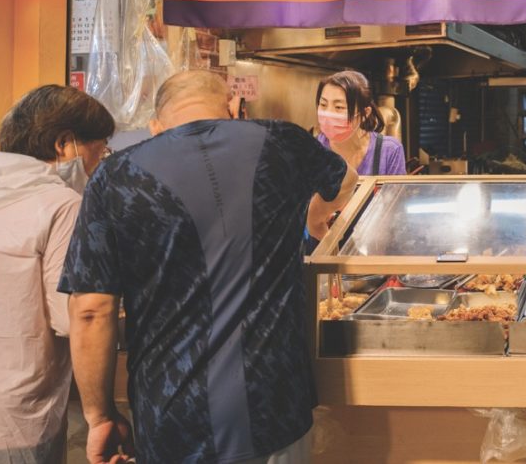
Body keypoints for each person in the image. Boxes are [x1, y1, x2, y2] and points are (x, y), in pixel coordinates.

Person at [59, 70, 358, 464]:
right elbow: (347, 181)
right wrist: (314, 216)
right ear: (234, 108)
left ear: (156, 126)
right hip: (273, 407)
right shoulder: (283, 141)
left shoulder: (116, 177)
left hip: (170, 416)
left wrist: (99, 417)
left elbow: (91, 311)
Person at [0, 86, 114, 464]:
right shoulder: (61, 204)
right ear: (64, 144)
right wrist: (100, 415)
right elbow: (75, 315)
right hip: (13, 417)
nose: (101, 161)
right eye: (100, 149)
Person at [315, 69, 406, 176]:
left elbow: (395, 192)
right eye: (323, 104)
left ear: (365, 113)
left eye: (339, 107)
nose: (328, 113)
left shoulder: (389, 151)